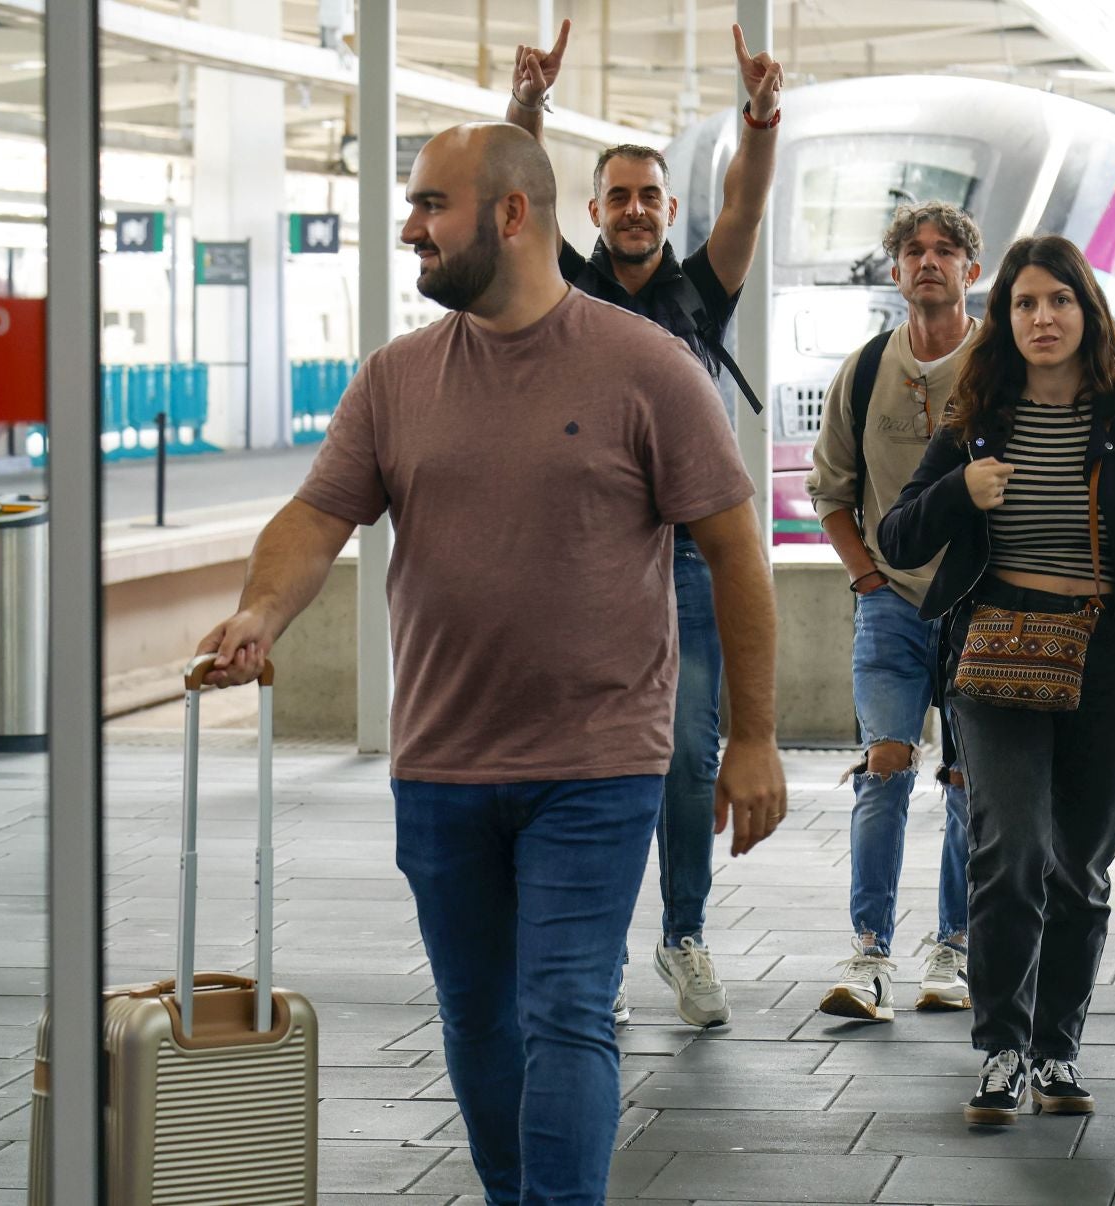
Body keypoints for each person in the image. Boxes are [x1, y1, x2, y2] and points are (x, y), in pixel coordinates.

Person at [191, 123, 786, 1204]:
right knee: (478, 1017)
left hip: (598, 760)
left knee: (564, 1006)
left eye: (430, 205)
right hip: (442, 762)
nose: (410, 227)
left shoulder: (646, 367)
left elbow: (737, 552)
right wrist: (258, 613)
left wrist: (752, 736)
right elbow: (317, 516)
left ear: (512, 216)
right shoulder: (396, 378)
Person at [879, 235, 1115, 1124]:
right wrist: (963, 487)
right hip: (996, 654)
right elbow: (900, 537)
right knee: (1013, 851)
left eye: (1059, 301)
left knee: (1079, 868)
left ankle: (1056, 1050)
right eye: (1026, 303)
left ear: (1087, 313)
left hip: (1111, 660)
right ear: (1007, 317)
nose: (1042, 318)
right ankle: (1000, 1046)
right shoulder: (975, 419)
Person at [507, 18, 783, 1027]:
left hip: (688, 567)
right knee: (588, 759)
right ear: (593, 210)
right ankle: (593, 956)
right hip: (582, 570)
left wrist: (759, 121)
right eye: (617, 196)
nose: (633, 209)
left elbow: (748, 203)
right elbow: (519, 197)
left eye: (649, 197)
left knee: (680, 756)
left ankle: (684, 939)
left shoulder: (698, 294)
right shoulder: (563, 285)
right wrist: (528, 105)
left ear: (670, 210)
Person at [804, 203, 984, 1019]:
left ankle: (954, 948)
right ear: (895, 272)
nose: (929, 262)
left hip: (980, 607)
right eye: (914, 251)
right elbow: (831, 491)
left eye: (946, 251)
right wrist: (868, 578)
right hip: (891, 608)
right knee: (885, 769)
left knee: (968, 781)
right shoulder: (868, 368)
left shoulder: (999, 365)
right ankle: (869, 952)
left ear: (971, 273)